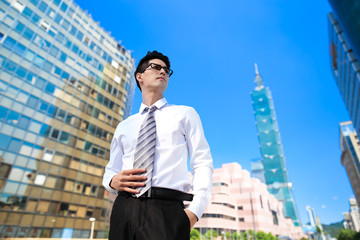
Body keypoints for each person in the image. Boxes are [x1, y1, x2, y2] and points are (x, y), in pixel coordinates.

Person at [103, 50, 213, 240]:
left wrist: (195, 211)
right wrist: (112, 181)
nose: (163, 71)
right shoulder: (124, 126)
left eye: (166, 70)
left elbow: (202, 162)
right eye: (156, 67)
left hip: (167, 210)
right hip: (124, 208)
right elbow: (111, 169)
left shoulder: (185, 114)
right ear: (140, 77)